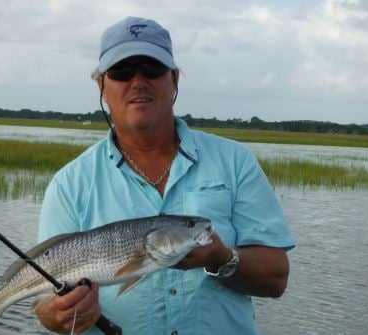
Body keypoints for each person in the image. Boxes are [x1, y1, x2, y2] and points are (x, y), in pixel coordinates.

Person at [36, 16, 295, 335]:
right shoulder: (69, 183)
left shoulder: (234, 160)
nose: (138, 81)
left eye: (152, 67)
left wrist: (221, 257)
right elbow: (46, 309)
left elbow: (276, 278)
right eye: (121, 71)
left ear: (174, 79)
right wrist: (59, 315)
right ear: (102, 85)